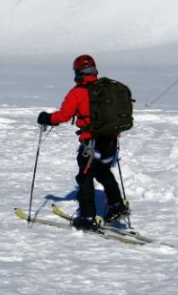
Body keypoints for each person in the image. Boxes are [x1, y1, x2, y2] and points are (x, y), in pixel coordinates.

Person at [36, 54, 130, 230]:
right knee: (102, 172)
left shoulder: (78, 92)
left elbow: (64, 115)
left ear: (78, 72)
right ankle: (117, 205)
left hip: (92, 142)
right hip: (110, 140)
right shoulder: (105, 89)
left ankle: (88, 217)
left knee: (84, 176)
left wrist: (46, 118)